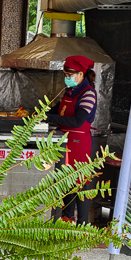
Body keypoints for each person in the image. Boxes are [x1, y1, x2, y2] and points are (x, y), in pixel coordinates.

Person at [47, 55, 97, 225]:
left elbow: (78, 121)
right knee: (65, 182)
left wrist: (49, 119)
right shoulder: (69, 92)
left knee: (79, 183)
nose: (66, 78)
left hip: (79, 143)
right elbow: (54, 111)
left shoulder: (88, 94)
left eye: (70, 74)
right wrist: (41, 114)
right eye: (65, 74)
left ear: (81, 74)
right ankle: (67, 219)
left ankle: (83, 225)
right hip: (64, 141)